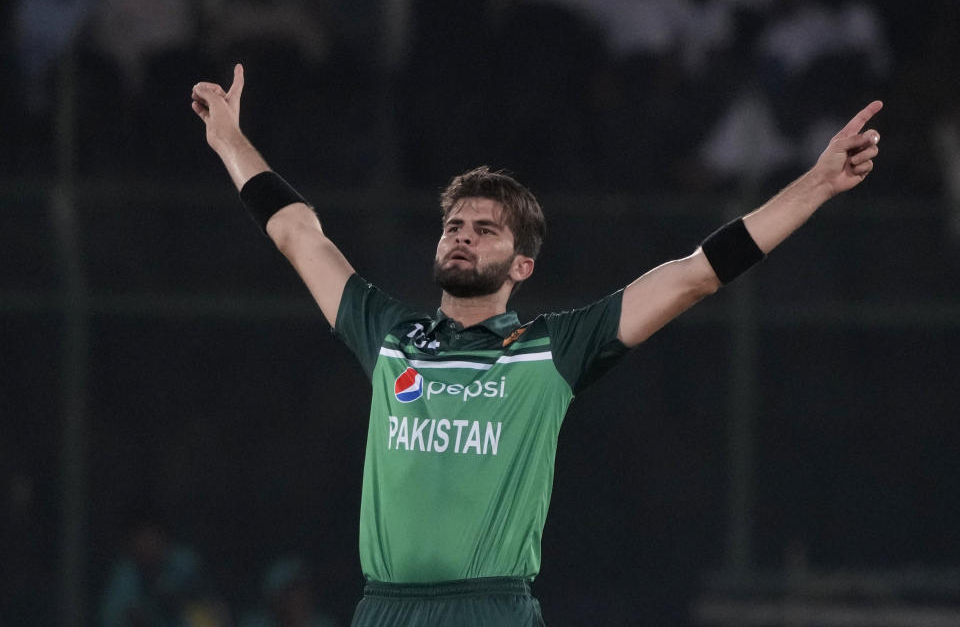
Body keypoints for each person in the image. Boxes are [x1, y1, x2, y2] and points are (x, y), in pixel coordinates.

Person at [190, 64, 881, 626]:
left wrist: (817, 184)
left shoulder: (550, 347)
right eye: (454, 224)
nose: (462, 234)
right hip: (387, 609)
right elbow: (298, 232)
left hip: (492, 608)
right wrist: (228, 139)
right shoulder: (391, 335)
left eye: (486, 229)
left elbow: (697, 274)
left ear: (522, 266)